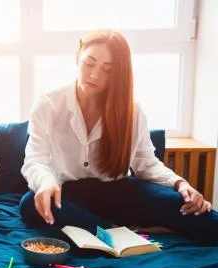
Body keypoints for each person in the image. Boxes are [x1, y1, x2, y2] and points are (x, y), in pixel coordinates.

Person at [20, 29, 218, 243]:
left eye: (107, 70)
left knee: (194, 211)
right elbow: (35, 160)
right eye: (89, 63)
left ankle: (106, 227)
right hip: (68, 194)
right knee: (31, 203)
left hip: (120, 193)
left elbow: (147, 164)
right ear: (77, 58)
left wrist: (180, 184)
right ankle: (120, 232)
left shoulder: (132, 111)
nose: (95, 75)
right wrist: (47, 182)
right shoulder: (48, 105)